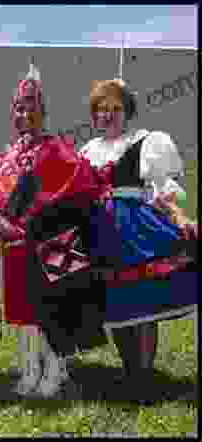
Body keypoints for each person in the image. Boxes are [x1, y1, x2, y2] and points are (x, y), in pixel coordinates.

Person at [0, 62, 110, 397]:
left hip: (50, 244)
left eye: (32, 108)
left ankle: (54, 373)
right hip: (13, 245)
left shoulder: (57, 149)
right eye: (19, 108)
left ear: (43, 112)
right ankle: (28, 372)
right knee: (23, 314)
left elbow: (79, 184)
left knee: (53, 311)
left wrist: (35, 221)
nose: (25, 114)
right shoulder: (4, 157)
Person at [77, 78, 198, 396]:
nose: (108, 115)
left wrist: (178, 217)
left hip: (136, 229)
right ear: (94, 115)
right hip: (101, 231)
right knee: (116, 302)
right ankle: (130, 370)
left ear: (127, 111)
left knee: (143, 299)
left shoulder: (146, 141)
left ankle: (143, 375)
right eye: (102, 109)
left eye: (115, 108)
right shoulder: (88, 150)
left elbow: (163, 188)